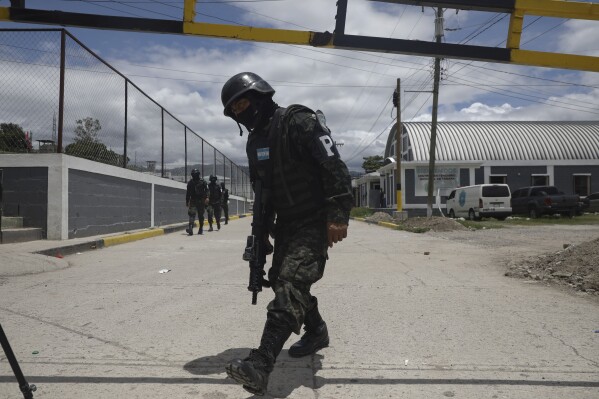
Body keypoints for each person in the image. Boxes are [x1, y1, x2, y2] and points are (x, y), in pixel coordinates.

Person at [221, 72, 353, 396]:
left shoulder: (298, 121)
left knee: (291, 284)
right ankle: (317, 330)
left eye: (243, 102)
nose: (241, 110)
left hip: (315, 219)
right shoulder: (254, 143)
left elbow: (334, 167)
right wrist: (261, 233)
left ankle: (260, 364)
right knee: (283, 280)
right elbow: (262, 191)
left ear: (260, 96)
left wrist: (338, 215)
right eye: (235, 108)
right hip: (287, 225)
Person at [186, 169, 208, 235]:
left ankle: (196, 227)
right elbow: (188, 193)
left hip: (198, 200)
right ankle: (194, 228)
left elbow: (207, 190)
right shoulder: (191, 183)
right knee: (196, 215)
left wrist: (207, 197)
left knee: (194, 215)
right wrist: (187, 201)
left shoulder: (201, 182)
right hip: (196, 200)